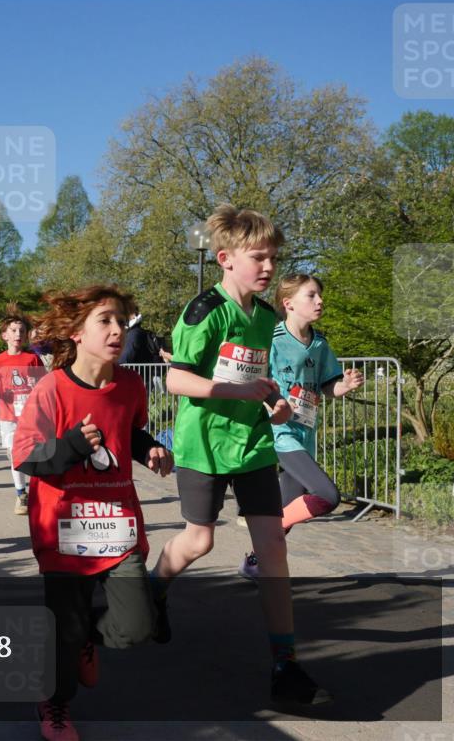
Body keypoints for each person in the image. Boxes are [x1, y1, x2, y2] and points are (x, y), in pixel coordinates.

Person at [149, 205, 331, 707]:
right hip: (203, 445)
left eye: (274, 257)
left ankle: (286, 666)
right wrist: (236, 391)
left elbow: (259, 379)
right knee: (200, 542)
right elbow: (176, 378)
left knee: (273, 548)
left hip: (252, 447)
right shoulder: (204, 310)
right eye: (260, 257)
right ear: (226, 259)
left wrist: (273, 401)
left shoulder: (269, 317)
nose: (270, 266)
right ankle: (153, 590)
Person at [11, 286, 173, 741]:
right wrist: (73, 447)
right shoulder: (52, 389)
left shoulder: (130, 385)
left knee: (137, 627)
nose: (118, 329)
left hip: (118, 523)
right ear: (78, 333)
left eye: (121, 320)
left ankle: (86, 639)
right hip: (62, 527)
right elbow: (25, 456)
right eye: (105, 320)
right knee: (63, 628)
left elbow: (129, 432)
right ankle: (54, 703)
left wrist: (152, 449)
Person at [238, 274, 364, 578]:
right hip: (278, 433)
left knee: (289, 506)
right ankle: (267, 535)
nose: (319, 301)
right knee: (326, 496)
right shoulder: (273, 338)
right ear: (289, 303)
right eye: (311, 296)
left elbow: (327, 386)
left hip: (305, 432)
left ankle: (255, 561)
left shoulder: (320, 343)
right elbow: (251, 381)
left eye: (320, 295)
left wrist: (344, 385)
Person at [0, 305, 45, 515]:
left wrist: (35, 384)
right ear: (4, 335)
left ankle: (39, 492)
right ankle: (21, 494)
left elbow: (44, 384)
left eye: (21, 331)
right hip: (8, 416)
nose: (18, 334)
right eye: (13, 331)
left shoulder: (32, 359)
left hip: (31, 416)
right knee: (14, 454)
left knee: (35, 454)